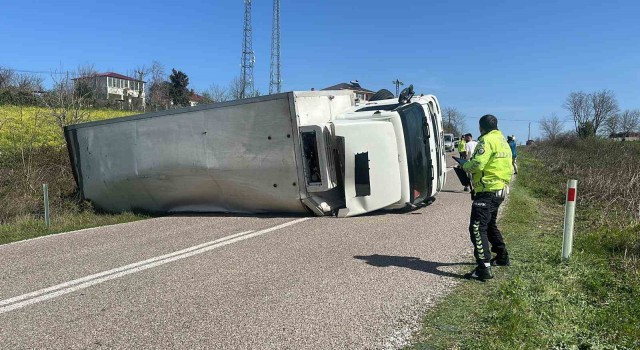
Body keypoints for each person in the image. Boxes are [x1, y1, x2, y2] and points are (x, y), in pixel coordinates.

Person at [461, 115, 512, 281]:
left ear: (481, 127)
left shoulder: (486, 141)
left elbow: (477, 164)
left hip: (487, 190)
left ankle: (484, 267)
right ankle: (502, 256)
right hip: (500, 189)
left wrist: (465, 165)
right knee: (490, 224)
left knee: (477, 227)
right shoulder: (503, 141)